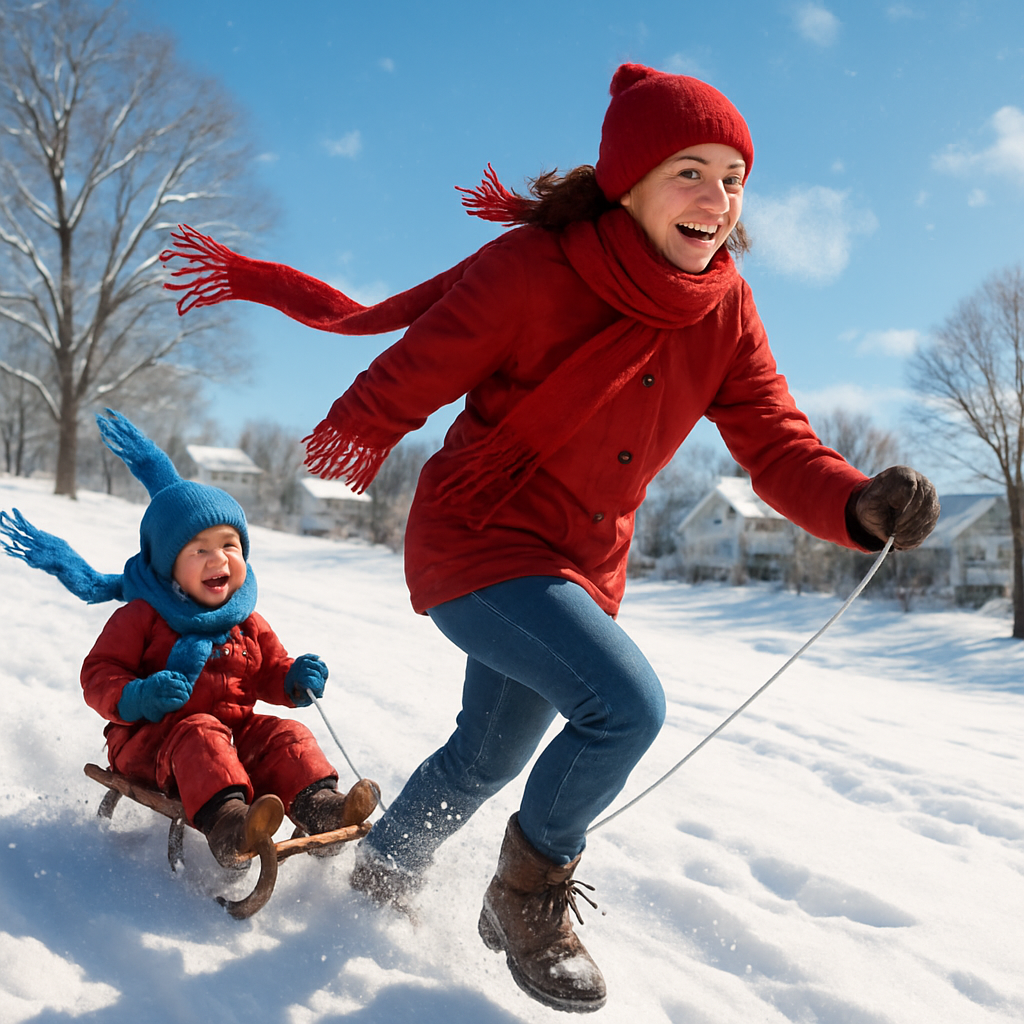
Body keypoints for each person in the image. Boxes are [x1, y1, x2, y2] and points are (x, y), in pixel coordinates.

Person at [158, 65, 939, 1013]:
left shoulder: (724, 308)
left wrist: (856, 505)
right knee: (626, 706)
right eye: (690, 171)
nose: (717, 198)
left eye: (734, 178)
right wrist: (355, 430)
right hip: (477, 542)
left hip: (582, 567)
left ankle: (383, 876)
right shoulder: (536, 269)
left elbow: (775, 439)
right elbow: (422, 359)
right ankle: (525, 895)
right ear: (629, 181)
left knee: (486, 756)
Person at [0, 411, 378, 868]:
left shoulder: (244, 620)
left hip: (228, 738)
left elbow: (268, 670)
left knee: (284, 733)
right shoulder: (143, 615)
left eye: (230, 545)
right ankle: (231, 826)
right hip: (151, 744)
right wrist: (140, 695)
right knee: (201, 733)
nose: (218, 558)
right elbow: (98, 675)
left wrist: (293, 678)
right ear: (166, 564)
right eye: (199, 549)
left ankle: (321, 807)